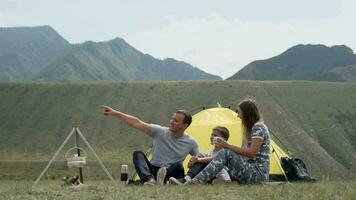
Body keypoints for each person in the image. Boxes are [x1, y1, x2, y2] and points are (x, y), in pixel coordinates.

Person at [100, 105, 199, 185]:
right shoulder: (160, 132)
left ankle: (154, 181)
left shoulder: (191, 143)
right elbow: (136, 123)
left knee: (178, 166)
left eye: (176, 120)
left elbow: (198, 160)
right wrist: (115, 113)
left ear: (185, 125)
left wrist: (193, 163)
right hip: (153, 169)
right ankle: (149, 180)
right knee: (138, 154)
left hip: (170, 172)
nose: (171, 122)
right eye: (172, 119)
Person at [190, 99, 270, 184]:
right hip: (248, 169)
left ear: (246, 113)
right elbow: (243, 154)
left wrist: (227, 146)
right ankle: (230, 182)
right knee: (226, 155)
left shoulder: (259, 127)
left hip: (257, 174)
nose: (238, 116)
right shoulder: (247, 131)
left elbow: (252, 153)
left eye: (239, 112)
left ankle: (197, 181)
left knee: (226, 152)